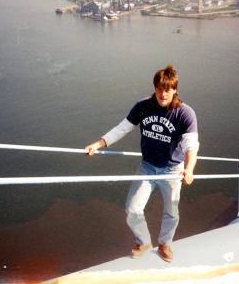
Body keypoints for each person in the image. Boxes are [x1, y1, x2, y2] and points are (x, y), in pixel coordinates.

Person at [85, 64, 199, 263]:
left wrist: (189, 170)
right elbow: (122, 128)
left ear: (174, 90)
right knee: (132, 208)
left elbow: (191, 145)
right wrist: (98, 143)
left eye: (168, 90)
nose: (163, 94)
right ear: (154, 88)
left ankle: (164, 244)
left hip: (172, 169)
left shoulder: (185, 113)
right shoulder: (143, 107)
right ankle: (144, 241)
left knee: (171, 211)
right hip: (147, 166)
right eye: (159, 89)